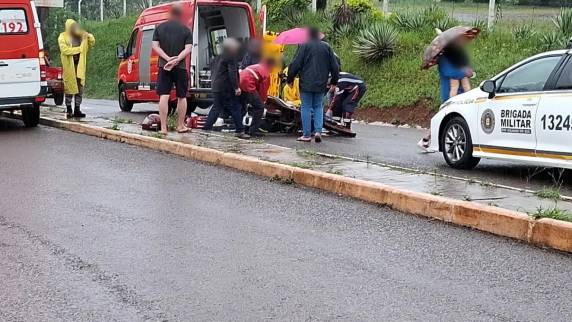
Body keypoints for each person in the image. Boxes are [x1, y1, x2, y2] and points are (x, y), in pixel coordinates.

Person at [287, 27, 339, 143]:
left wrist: (290, 79)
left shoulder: (304, 46)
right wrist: (334, 82)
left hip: (306, 83)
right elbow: (335, 67)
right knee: (318, 107)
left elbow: (296, 63)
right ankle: (318, 131)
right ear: (318, 36)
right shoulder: (327, 47)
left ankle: (306, 135)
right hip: (321, 84)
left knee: (306, 107)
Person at [152, 3, 192, 135]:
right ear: (180, 14)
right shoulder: (186, 30)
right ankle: (180, 125)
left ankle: (163, 127)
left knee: (164, 95)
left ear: (170, 13)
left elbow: (155, 46)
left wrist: (167, 59)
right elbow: (188, 49)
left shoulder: (160, 28)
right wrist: (177, 59)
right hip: (180, 67)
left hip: (164, 66)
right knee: (182, 96)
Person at [417, 54, 472, 151]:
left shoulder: (448, 60)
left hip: (454, 96)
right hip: (452, 97)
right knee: (445, 118)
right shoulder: (448, 61)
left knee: (442, 118)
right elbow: (457, 83)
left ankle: (425, 140)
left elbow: (465, 81)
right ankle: (427, 140)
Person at [204, 38, 249, 138]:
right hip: (225, 87)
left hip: (216, 86)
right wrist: (236, 87)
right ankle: (240, 131)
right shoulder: (231, 57)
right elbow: (232, 73)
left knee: (216, 108)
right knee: (235, 107)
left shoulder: (217, 57)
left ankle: (206, 128)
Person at [58, 19, 95, 118]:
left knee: (80, 88)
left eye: (75, 26)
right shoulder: (63, 37)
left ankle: (77, 109)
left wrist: (87, 35)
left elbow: (92, 42)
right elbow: (65, 50)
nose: (74, 28)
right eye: (72, 26)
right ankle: (69, 108)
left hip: (79, 66)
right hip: (69, 67)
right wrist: (79, 49)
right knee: (69, 88)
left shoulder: (80, 36)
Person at [239, 58, 276, 137]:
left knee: (243, 107)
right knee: (259, 108)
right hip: (248, 84)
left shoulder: (258, 66)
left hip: (240, 82)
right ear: (271, 65)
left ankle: (241, 129)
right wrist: (263, 101)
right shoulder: (265, 73)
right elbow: (263, 89)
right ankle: (253, 131)